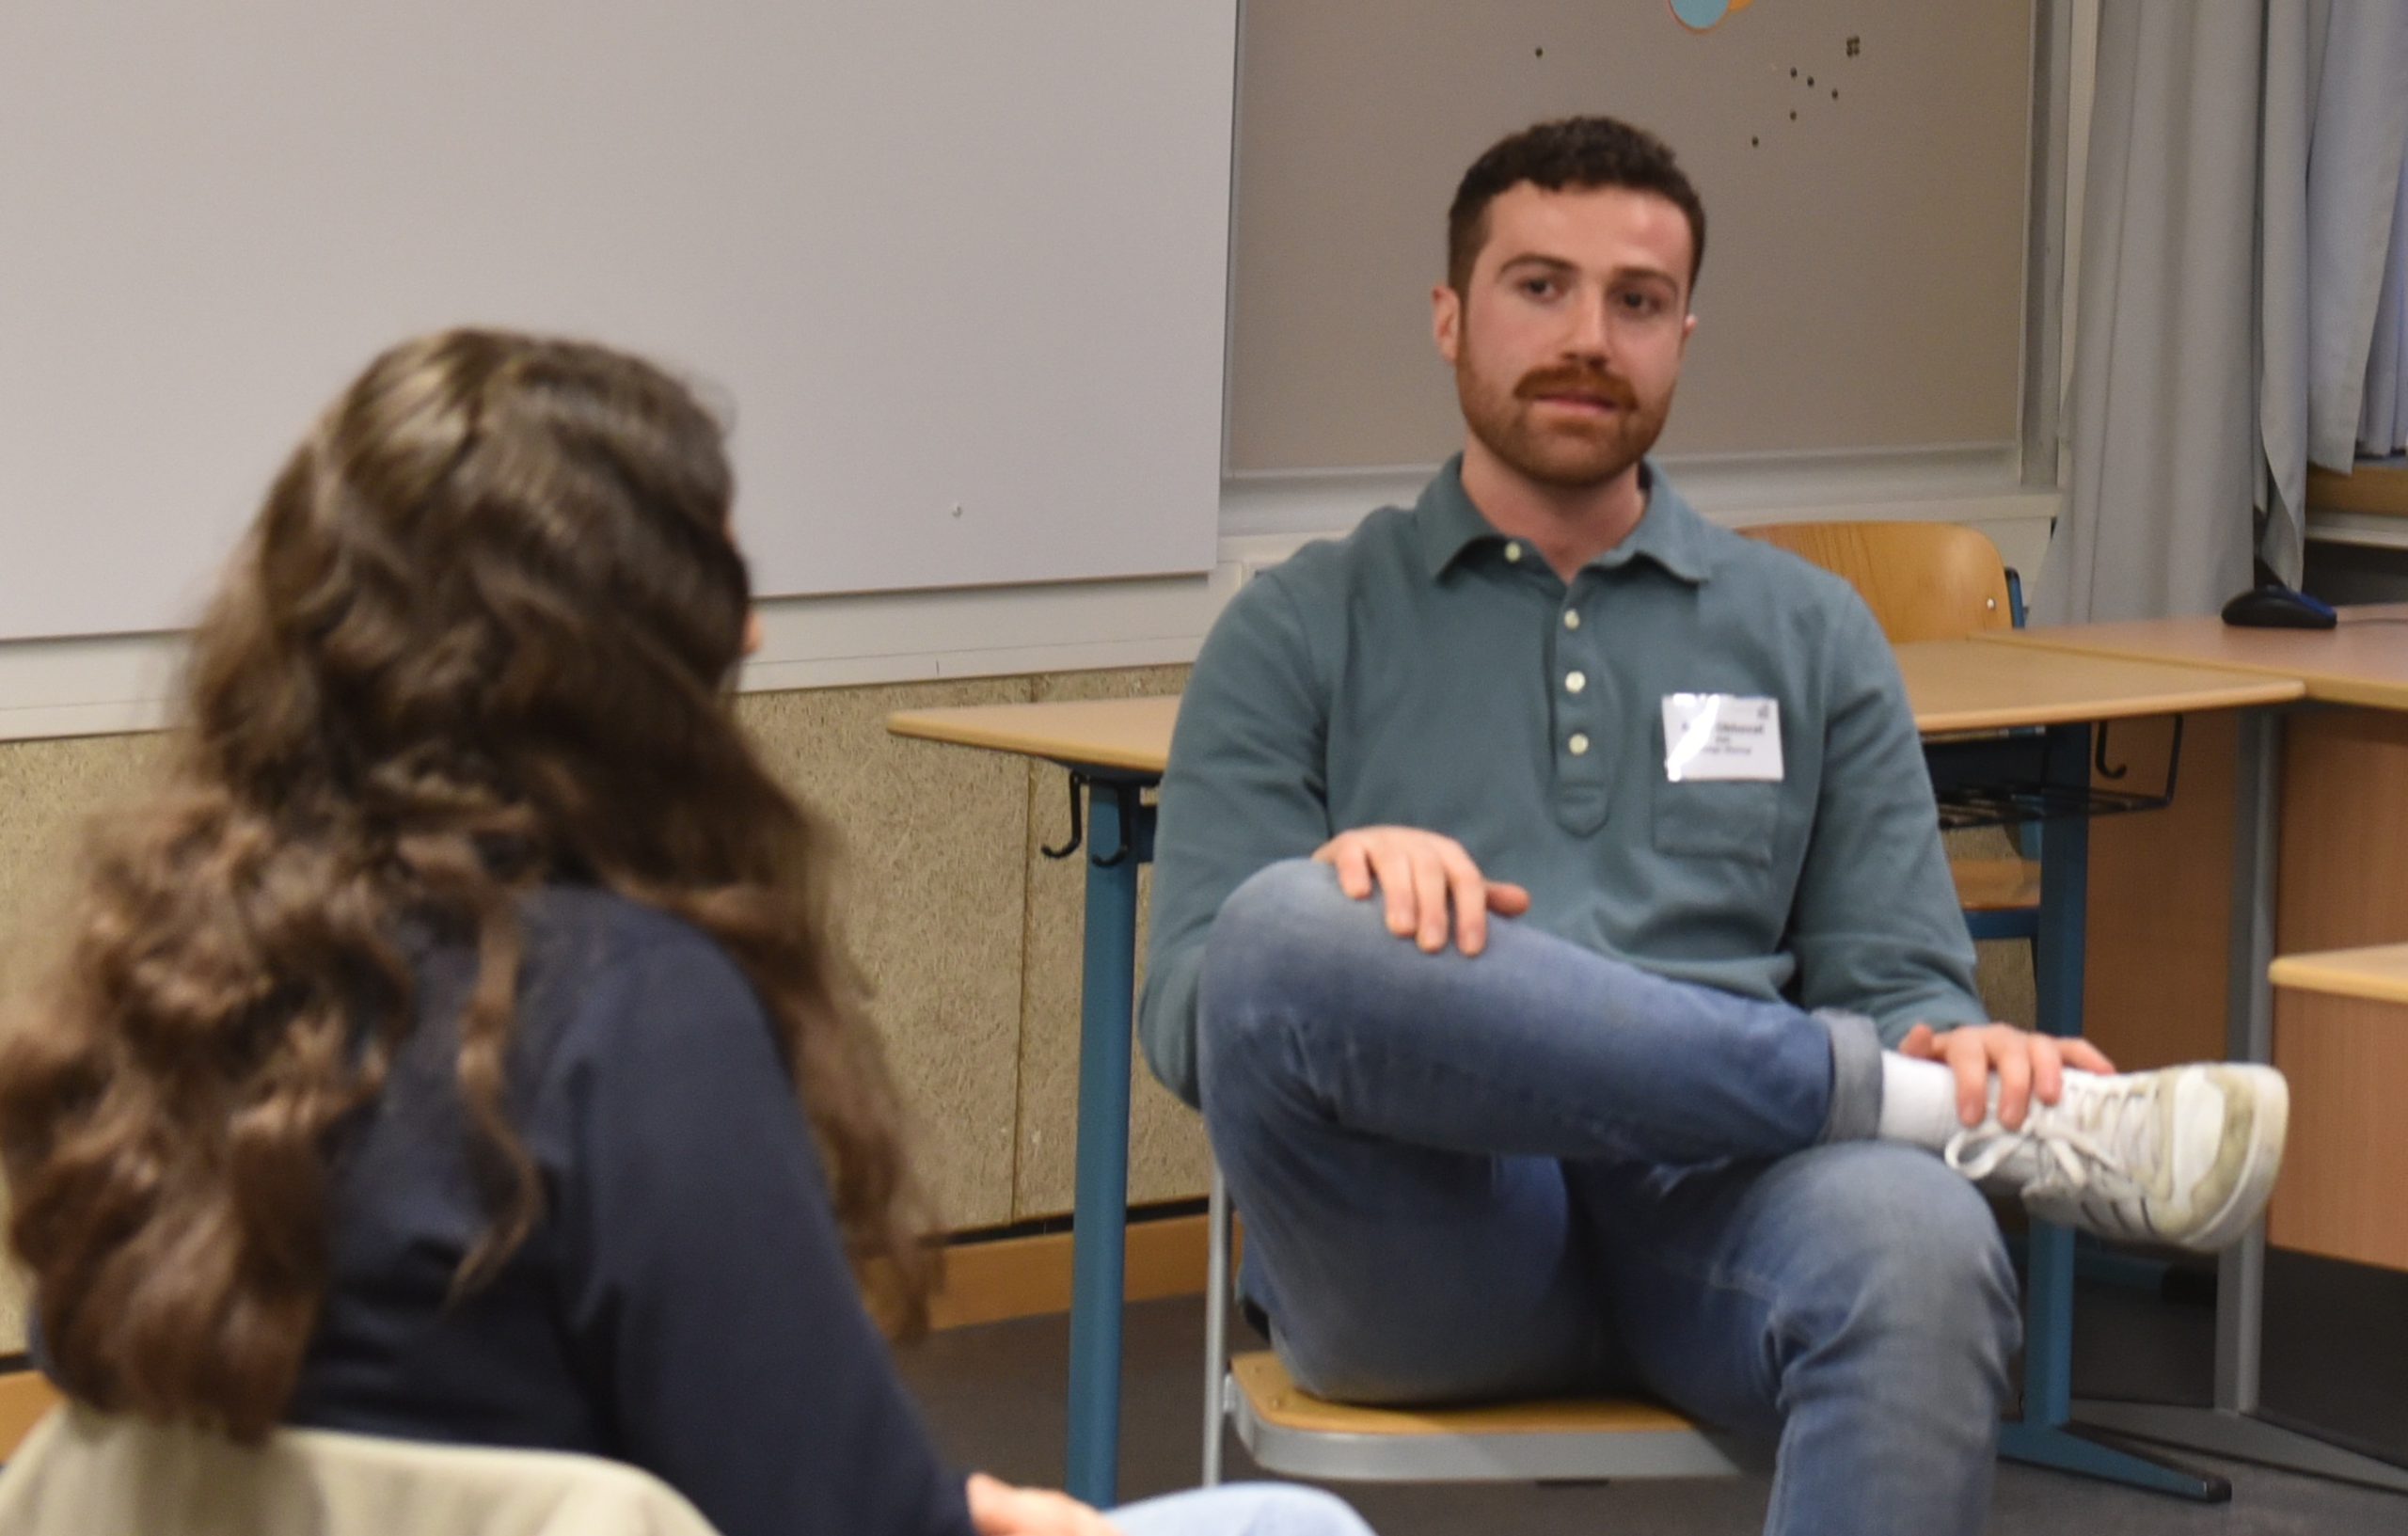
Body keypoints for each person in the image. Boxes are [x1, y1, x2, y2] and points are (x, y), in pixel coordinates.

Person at [0, 330, 1370, 1536]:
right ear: (610, 651)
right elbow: (819, 1505)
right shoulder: (631, 1011)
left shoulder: (177, 981)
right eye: (716, 581)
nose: (754, 631)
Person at [1140, 118, 2289, 1536]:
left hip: (1730, 1213)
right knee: (1279, 931)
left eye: (1637, 301)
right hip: (1425, 1241)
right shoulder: (1298, 624)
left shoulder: (1807, 630)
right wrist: (1347, 895)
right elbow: (1196, 1012)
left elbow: (1902, 981)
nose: (1589, 337)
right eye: (1539, 287)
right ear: (1449, 317)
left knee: (1926, 1241)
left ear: (1684, 334)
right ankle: (1888, 1103)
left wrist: (1953, 1043)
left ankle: (1893, 1106)